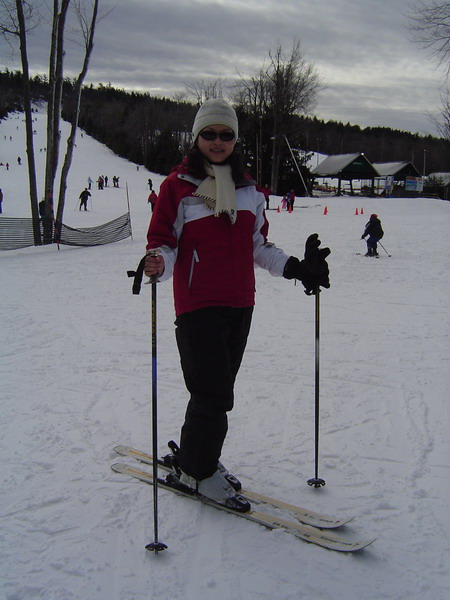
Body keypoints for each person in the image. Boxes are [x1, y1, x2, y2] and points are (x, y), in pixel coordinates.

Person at [143, 98, 330, 512]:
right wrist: (157, 262)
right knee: (213, 395)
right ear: (197, 137)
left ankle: (196, 456)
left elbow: (257, 246)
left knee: (213, 391)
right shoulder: (178, 187)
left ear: (235, 139)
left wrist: (298, 269)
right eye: (209, 133)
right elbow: (164, 242)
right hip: (197, 305)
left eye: (226, 134)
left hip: (241, 304)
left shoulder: (248, 191)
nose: (218, 141)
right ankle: (198, 470)